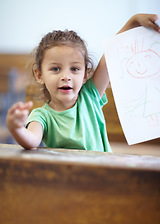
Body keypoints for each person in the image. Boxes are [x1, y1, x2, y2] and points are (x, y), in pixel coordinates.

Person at [6, 14, 160, 151]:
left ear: (85, 74)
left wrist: (133, 22)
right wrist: (17, 128)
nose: (66, 76)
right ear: (39, 75)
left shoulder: (90, 96)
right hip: (68, 180)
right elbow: (32, 140)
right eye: (55, 69)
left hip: (104, 176)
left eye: (74, 69)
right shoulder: (42, 116)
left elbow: (111, 55)